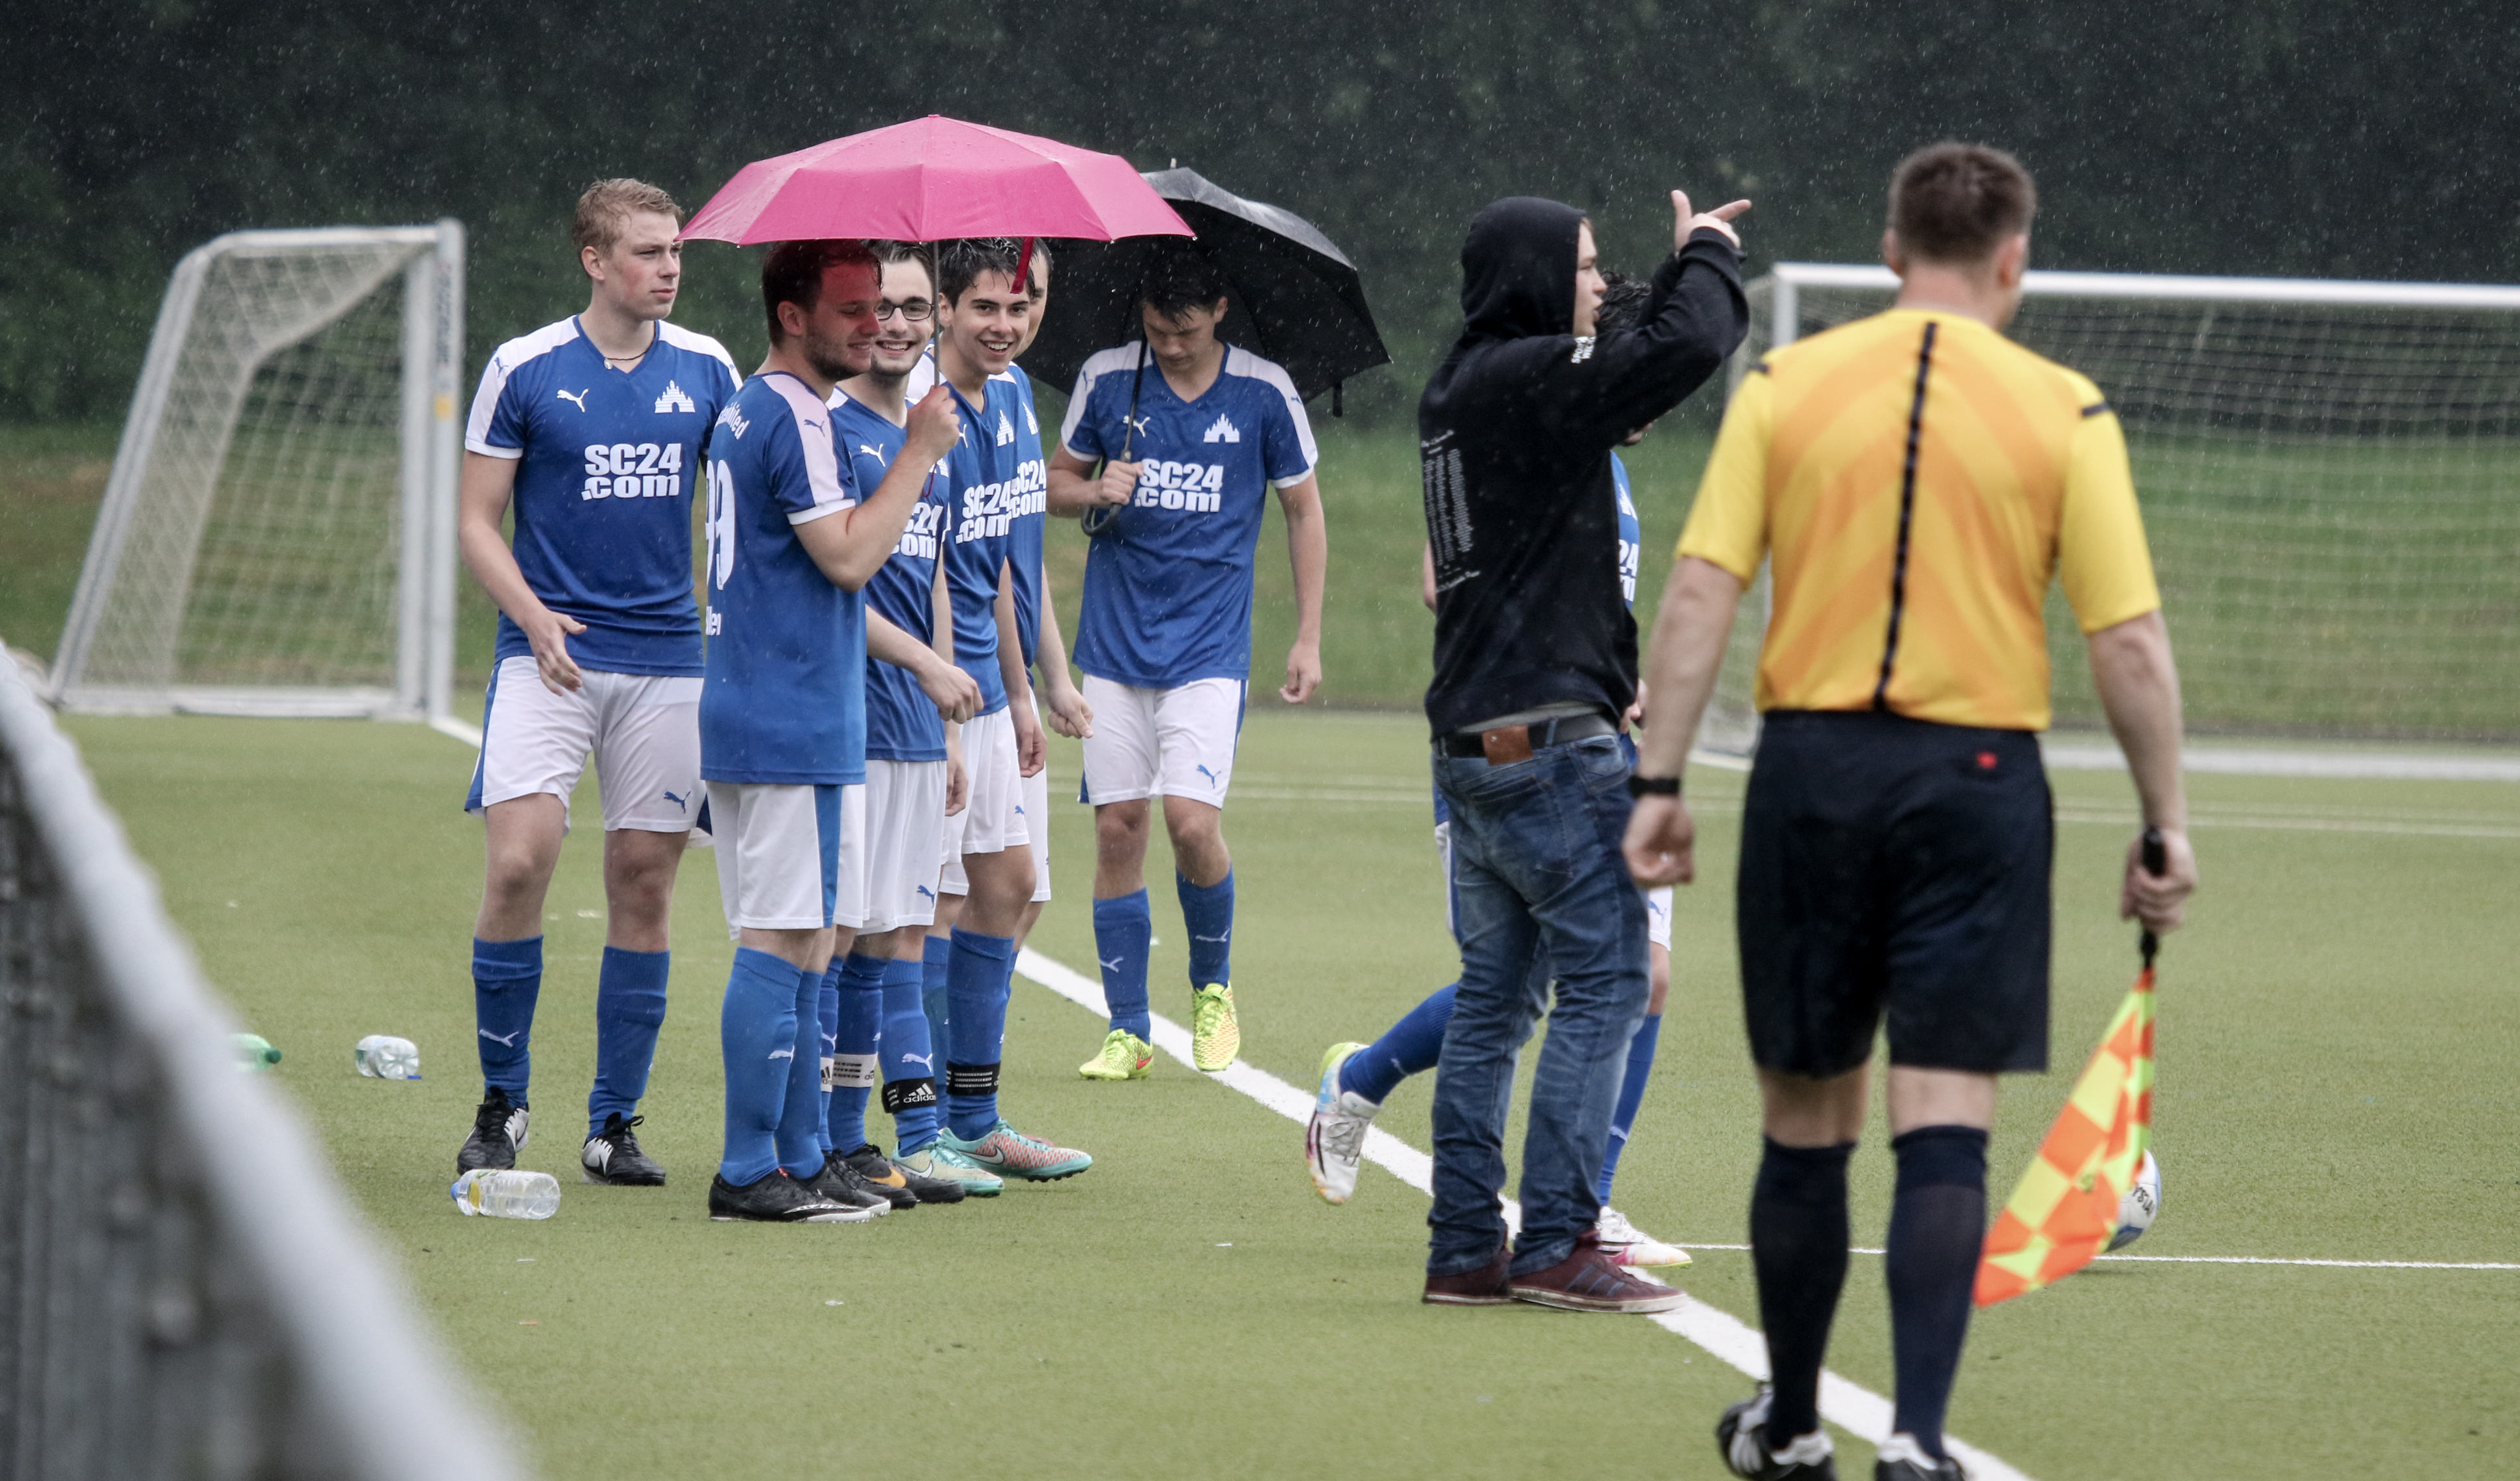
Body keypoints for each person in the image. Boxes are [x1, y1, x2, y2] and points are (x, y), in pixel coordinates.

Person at [1621, 144, 2198, 1481]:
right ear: (2012, 261)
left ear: (1888, 252)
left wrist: (1656, 782)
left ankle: (1787, 1425)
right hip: (1976, 786)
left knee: (1805, 1115)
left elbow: (1700, 591)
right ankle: (1918, 1441)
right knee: (1943, 1121)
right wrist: (2162, 818)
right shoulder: (2062, 409)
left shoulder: (1787, 385)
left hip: (1810, 774)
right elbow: (2124, 640)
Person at [1306, 274, 1688, 1272]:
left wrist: (1617, 673)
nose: (1648, 402)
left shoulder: (1604, 467)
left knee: (1639, 975)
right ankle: (1363, 1080)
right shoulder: (1522, 436)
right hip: (1518, 741)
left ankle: (1588, 1201)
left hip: (1596, 738)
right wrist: (1559, 657)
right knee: (1515, 987)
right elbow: (1448, 581)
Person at [1414, 188, 1749, 1314]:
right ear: (1533, 279)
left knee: (1493, 1003)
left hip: (1475, 745)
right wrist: (1708, 255)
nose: (1601, 285)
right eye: (1587, 265)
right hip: (1550, 749)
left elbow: (1626, 374)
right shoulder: (1521, 379)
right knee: (1613, 976)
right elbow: (1689, 346)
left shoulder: (1464, 384)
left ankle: (1466, 1246)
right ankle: (1557, 1238)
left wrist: (1654, 291)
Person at [453, 178, 739, 1184]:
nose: (669, 268)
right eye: (649, 251)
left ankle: (614, 1123)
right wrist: (533, 617)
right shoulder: (523, 366)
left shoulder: (708, 367)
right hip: (546, 660)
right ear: (595, 259)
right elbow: (476, 520)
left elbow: (750, 503)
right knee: (518, 863)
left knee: (644, 879)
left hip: (667, 662)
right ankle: (502, 1103)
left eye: (676, 251)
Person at [697, 236, 962, 1222]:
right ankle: (747, 1167)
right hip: (789, 711)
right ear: (791, 315)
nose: (871, 324)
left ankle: (803, 1156)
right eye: (850, 308)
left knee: (813, 938)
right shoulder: (796, 413)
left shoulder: (755, 406)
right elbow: (849, 558)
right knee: (783, 938)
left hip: (773, 704)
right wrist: (919, 453)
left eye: (878, 305)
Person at [1045, 243, 1328, 1080]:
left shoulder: (1265, 392)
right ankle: (1128, 1031)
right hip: (1113, 645)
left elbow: (1303, 511)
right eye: (1157, 330)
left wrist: (1307, 635)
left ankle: (1212, 988)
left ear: (1219, 314)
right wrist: (1094, 490)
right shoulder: (1107, 379)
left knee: (1191, 824)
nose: (1170, 346)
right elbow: (1051, 484)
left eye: (1187, 331)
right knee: (1117, 830)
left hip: (1208, 648)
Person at [821, 240, 999, 1202]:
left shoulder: (936, 432)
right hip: (843, 720)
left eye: (913, 308)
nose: (894, 324)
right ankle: (808, 1139)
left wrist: (952, 731)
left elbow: (935, 581)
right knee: (834, 934)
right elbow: (832, 584)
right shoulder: (828, 427)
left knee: (890, 935)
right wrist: (927, 666)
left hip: (914, 732)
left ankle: (853, 1140)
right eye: (876, 306)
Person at [918, 238, 1094, 1181]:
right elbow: (938, 571)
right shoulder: (924, 408)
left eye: (1020, 306)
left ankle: (973, 1117)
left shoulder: (1016, 393)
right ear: (945, 306)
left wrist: (1031, 688)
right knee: (933, 907)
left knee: (1011, 886)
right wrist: (951, 716)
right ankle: (919, 1127)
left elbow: (1002, 565)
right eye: (985, 306)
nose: (1005, 324)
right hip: (934, 693)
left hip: (992, 686)